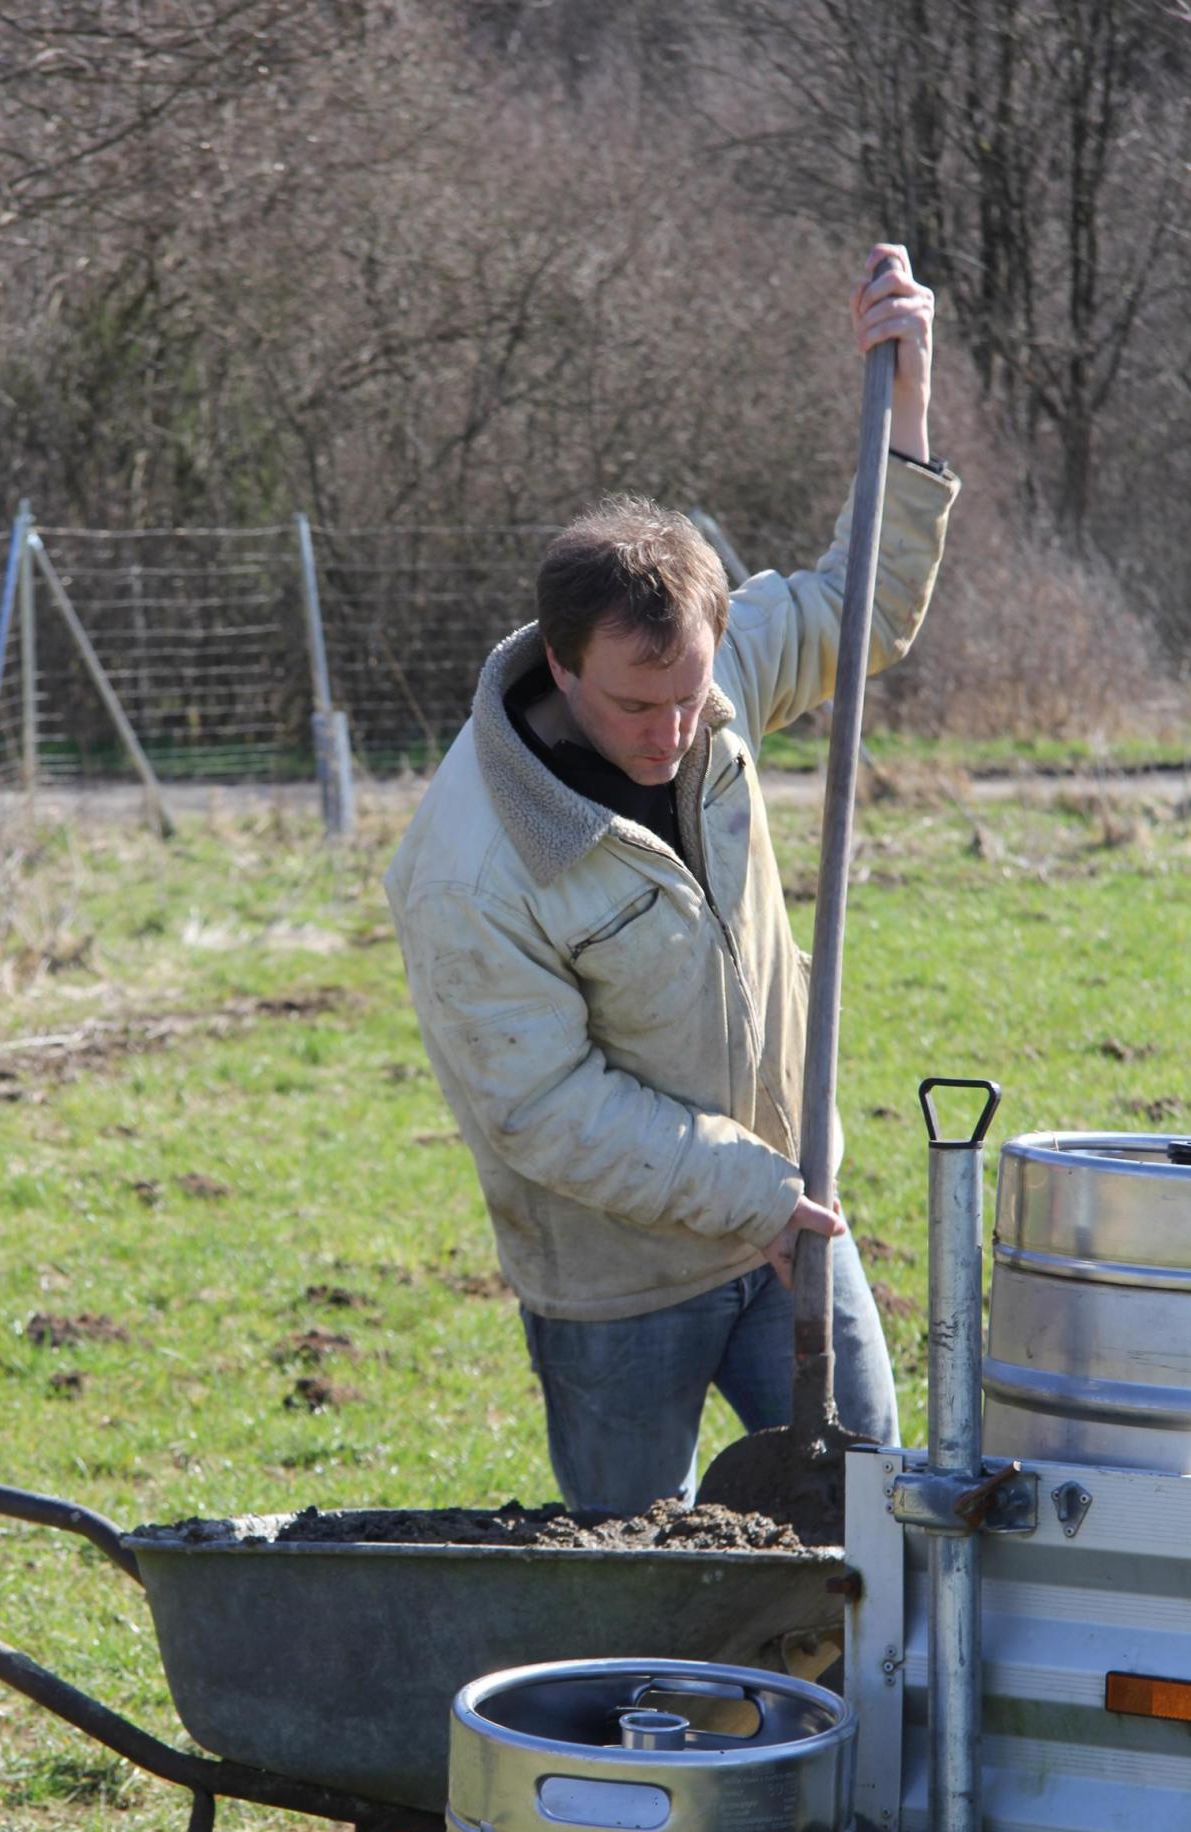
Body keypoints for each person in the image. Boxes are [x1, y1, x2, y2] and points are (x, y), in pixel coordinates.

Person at [385, 245, 958, 1514]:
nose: (673, 731)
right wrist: (758, 1190)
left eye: (693, 694)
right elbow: (541, 1106)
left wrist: (907, 393)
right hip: (618, 1285)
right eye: (640, 704)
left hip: (793, 1228)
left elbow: (853, 606)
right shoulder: (471, 859)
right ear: (562, 666)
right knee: (637, 1580)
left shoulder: (718, 683)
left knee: (875, 1525)